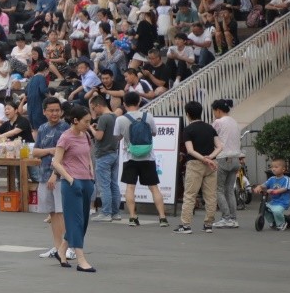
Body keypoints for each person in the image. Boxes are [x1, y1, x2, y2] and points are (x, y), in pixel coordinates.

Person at [52, 104, 97, 271]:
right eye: (86, 121)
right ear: (76, 120)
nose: (89, 125)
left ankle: (61, 250)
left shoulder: (86, 135)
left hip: (87, 181)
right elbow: (56, 162)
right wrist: (71, 179)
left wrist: (91, 175)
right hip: (72, 183)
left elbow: (88, 157)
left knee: (82, 222)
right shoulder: (65, 137)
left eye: (89, 121)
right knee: (76, 221)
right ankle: (81, 259)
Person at [115, 92, 169, 226]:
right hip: (148, 157)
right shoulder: (148, 116)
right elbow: (154, 133)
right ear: (139, 102)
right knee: (154, 188)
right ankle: (162, 218)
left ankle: (133, 217)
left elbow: (117, 137)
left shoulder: (120, 119)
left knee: (130, 187)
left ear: (124, 104)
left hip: (130, 157)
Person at [32, 97, 69, 259]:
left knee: (61, 212)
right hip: (44, 175)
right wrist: (50, 150)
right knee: (52, 212)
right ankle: (56, 246)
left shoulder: (65, 128)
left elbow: (65, 155)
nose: (54, 113)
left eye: (57, 110)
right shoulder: (42, 128)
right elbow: (35, 152)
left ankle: (67, 247)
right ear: (44, 112)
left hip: (59, 176)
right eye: (51, 110)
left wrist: (55, 174)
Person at [177, 100, 222, 234]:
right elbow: (220, 146)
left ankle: (186, 225)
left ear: (187, 114)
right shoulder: (210, 128)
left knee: (190, 195)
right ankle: (208, 225)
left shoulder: (188, 129)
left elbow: (190, 150)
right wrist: (210, 158)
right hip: (211, 165)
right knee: (211, 196)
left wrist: (203, 159)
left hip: (195, 164)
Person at [88, 95, 122, 222]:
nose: (94, 111)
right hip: (114, 153)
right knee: (114, 184)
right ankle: (115, 213)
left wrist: (91, 128)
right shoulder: (115, 117)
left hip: (103, 155)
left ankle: (106, 213)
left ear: (98, 105)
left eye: (93, 108)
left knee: (104, 186)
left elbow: (99, 137)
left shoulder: (103, 118)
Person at [211, 99, 242, 229]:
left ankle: (225, 217)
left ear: (218, 110)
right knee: (229, 190)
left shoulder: (218, 122)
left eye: (214, 111)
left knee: (218, 190)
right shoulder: (234, 122)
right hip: (235, 159)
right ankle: (233, 219)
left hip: (223, 158)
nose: (214, 114)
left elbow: (211, 137)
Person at [254, 158, 290, 230]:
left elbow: (285, 188)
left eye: (276, 167)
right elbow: (264, 185)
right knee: (263, 207)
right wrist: (259, 187)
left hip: (282, 202)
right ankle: (272, 221)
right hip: (273, 202)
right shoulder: (272, 179)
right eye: (272, 167)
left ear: (283, 169)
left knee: (276, 211)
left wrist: (274, 191)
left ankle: (281, 224)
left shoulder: (286, 179)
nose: (273, 169)